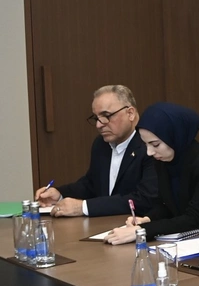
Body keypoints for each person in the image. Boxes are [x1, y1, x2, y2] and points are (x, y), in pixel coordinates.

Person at [103, 102, 199, 244]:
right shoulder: (164, 159)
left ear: (175, 137)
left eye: (155, 144)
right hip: (180, 241)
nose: (149, 152)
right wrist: (147, 219)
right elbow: (166, 205)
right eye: (145, 144)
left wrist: (142, 230)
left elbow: (194, 219)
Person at [35, 84, 158, 218]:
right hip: (104, 225)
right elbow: (91, 185)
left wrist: (83, 207)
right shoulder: (101, 144)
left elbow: (144, 199)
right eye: (96, 118)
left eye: (106, 116)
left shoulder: (150, 146)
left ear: (130, 113)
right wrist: (60, 194)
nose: (99, 125)